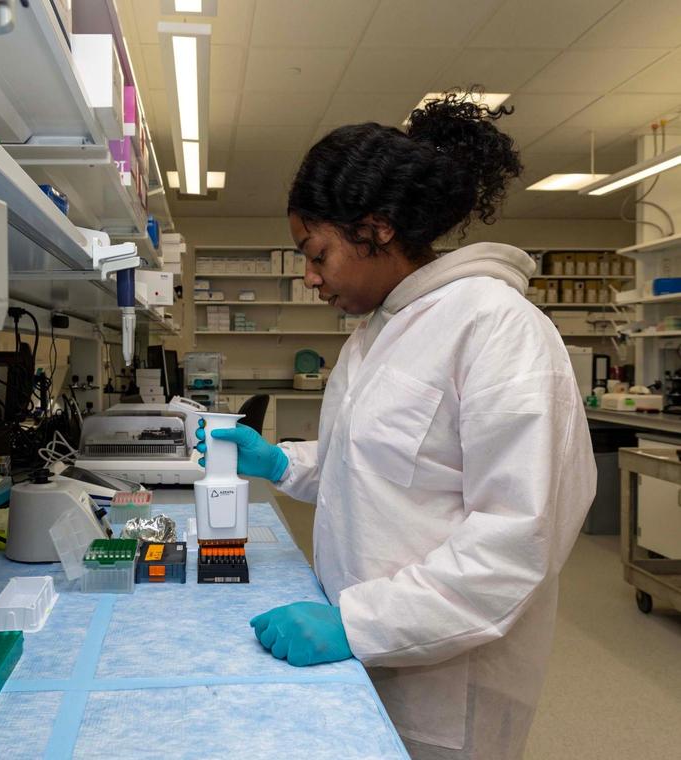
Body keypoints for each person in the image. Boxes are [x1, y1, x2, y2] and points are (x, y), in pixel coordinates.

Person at [196, 92, 596, 760]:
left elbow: (517, 540)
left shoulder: (497, 327)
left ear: (376, 229)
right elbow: (376, 464)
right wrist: (283, 462)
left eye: (317, 254)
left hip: (445, 677)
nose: (309, 277)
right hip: (362, 648)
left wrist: (356, 624)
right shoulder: (377, 330)